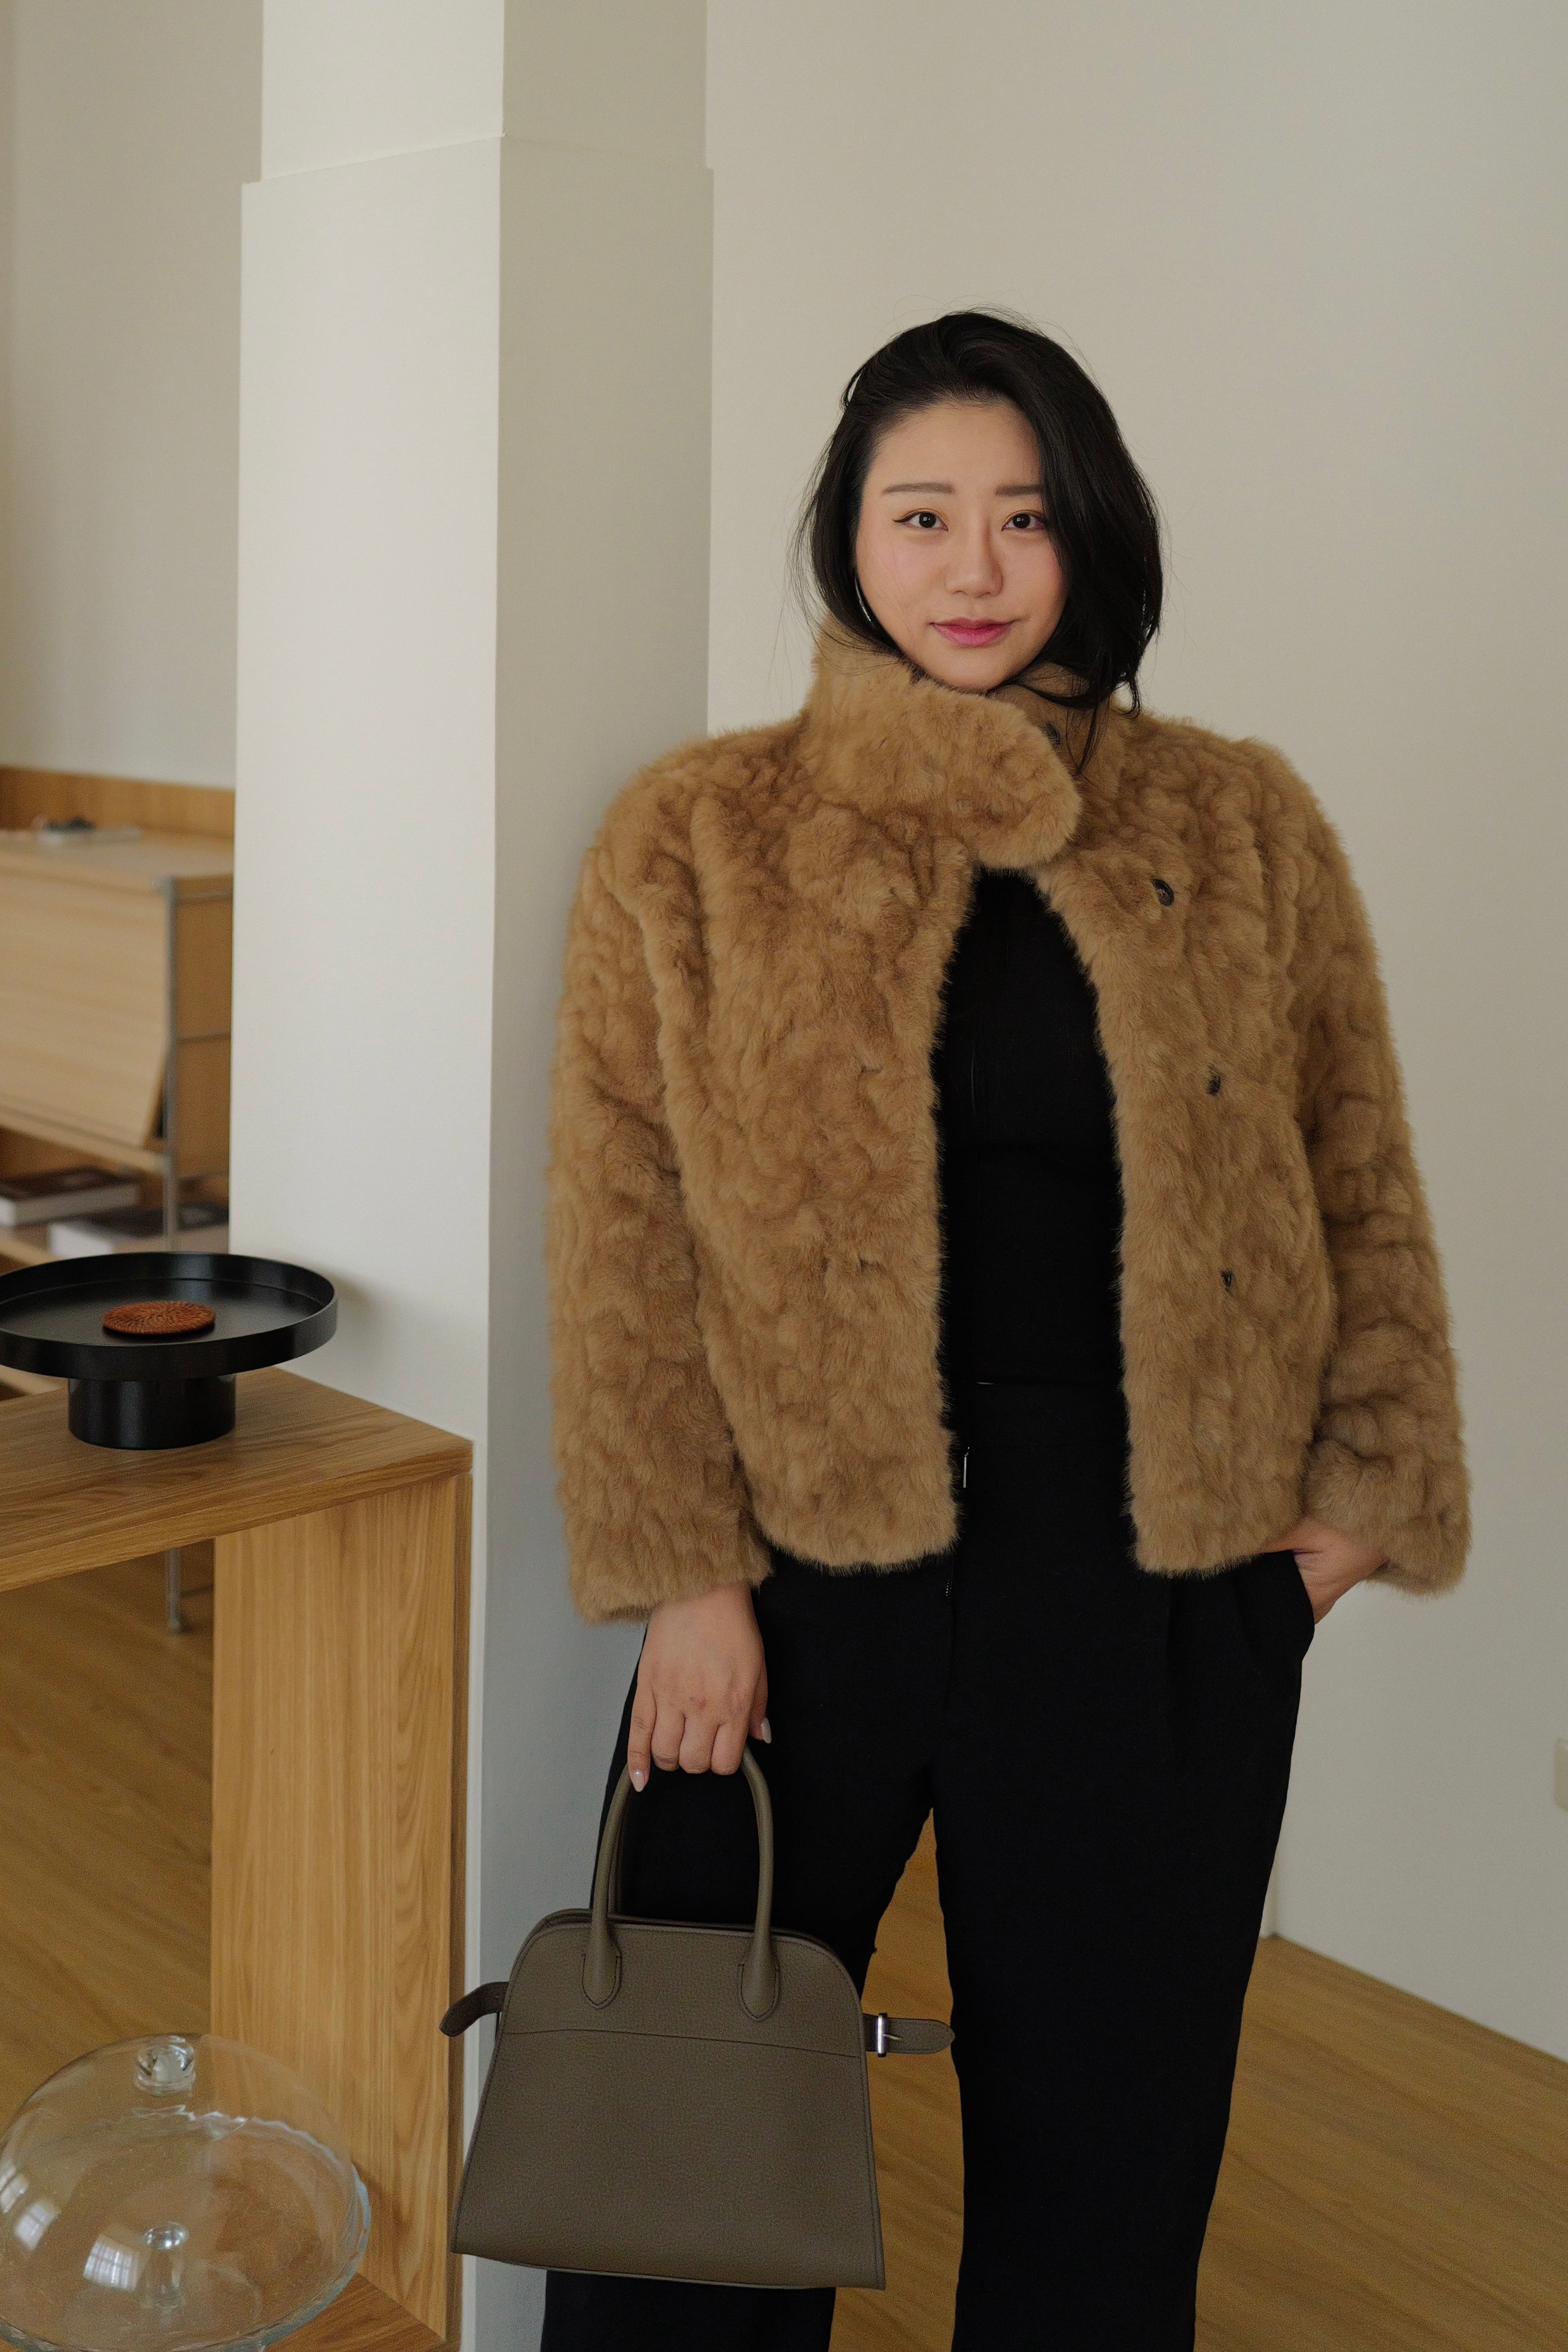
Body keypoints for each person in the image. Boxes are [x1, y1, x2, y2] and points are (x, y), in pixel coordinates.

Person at [539, 311, 1468, 2352]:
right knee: (685, 2132)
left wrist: (1356, 1503)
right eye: (921, 515)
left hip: (1148, 1560)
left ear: (1092, 532)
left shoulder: (1234, 820)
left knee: (1108, 2144)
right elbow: (623, 1232)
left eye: (1024, 517)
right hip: (792, 1566)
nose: (972, 568)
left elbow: (1353, 1161)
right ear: (849, 538)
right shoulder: (699, 833)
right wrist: (684, 1574)